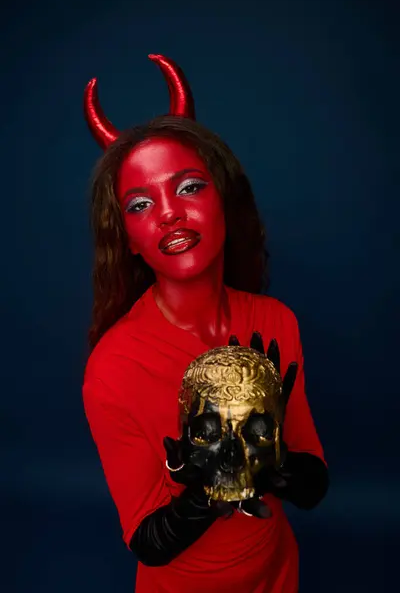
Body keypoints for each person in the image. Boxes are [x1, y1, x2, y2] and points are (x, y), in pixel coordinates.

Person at [82, 54, 329, 593]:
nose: (169, 213)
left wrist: (277, 461)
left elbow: (313, 486)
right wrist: (205, 493)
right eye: (142, 204)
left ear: (224, 200)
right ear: (128, 240)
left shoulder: (274, 323)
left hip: (277, 574)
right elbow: (146, 541)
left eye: (189, 187)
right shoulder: (113, 369)